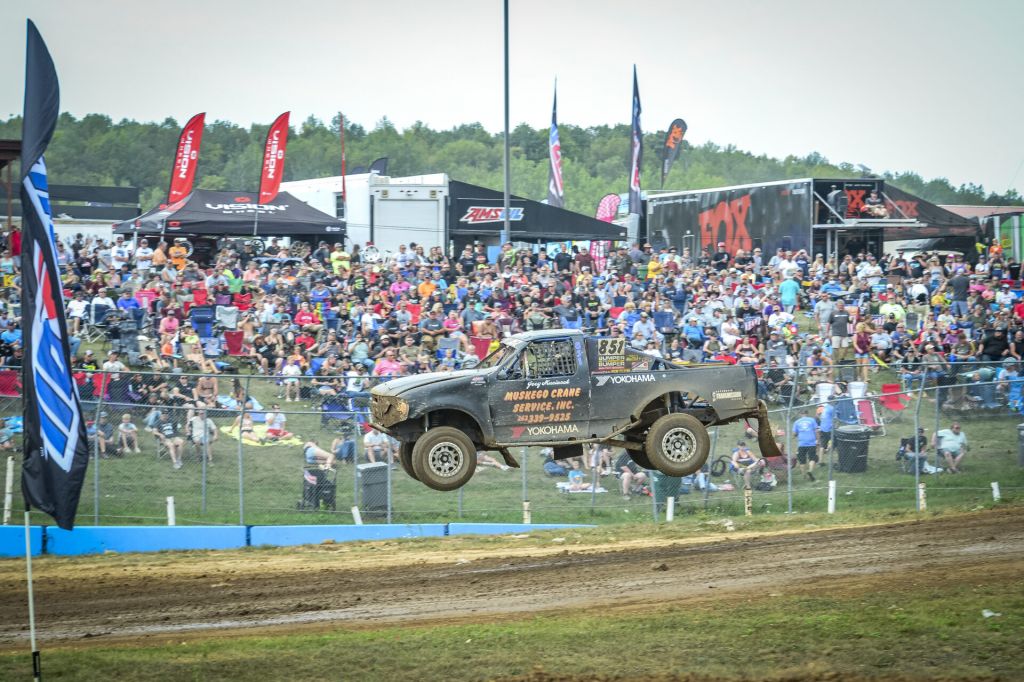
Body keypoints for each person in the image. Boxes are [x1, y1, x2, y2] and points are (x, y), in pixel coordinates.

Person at [792, 408, 820, 481]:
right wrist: (817, 440)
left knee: (802, 460)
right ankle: (810, 471)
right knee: (812, 458)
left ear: (800, 414)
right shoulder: (812, 420)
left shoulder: (797, 422)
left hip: (802, 443)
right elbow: (816, 431)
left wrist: (796, 434)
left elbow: (794, 433)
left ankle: (804, 476)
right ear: (807, 413)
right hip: (811, 442)